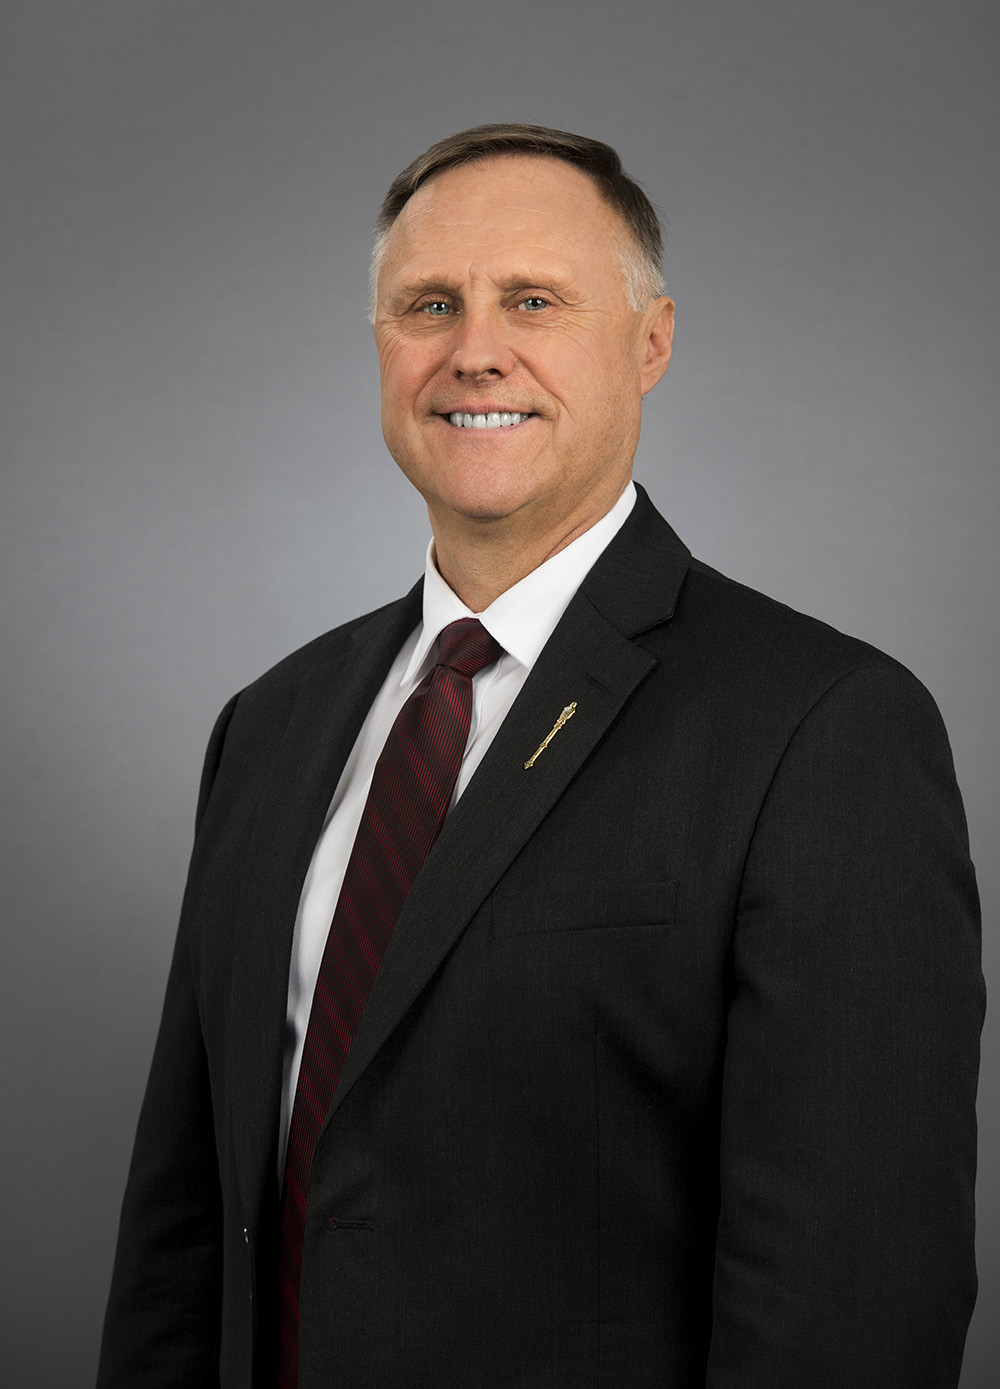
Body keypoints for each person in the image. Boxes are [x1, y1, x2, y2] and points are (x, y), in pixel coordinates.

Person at [97, 124, 984, 1389]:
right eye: (429, 305)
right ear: (381, 344)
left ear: (650, 342)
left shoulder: (824, 725)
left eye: (532, 300)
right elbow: (180, 1233)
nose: (474, 350)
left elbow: (854, 1294)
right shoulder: (271, 723)